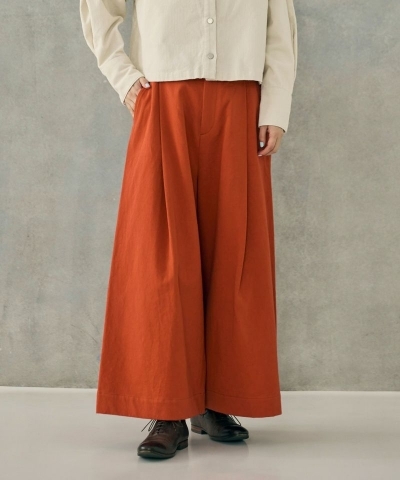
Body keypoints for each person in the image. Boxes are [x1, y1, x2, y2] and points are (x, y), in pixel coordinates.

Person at [79, 0, 297, 460]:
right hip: (164, 97)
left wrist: (275, 107)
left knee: (234, 256)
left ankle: (216, 401)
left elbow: (280, 25)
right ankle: (168, 409)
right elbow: (98, 7)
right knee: (163, 258)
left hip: (241, 101)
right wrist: (123, 77)